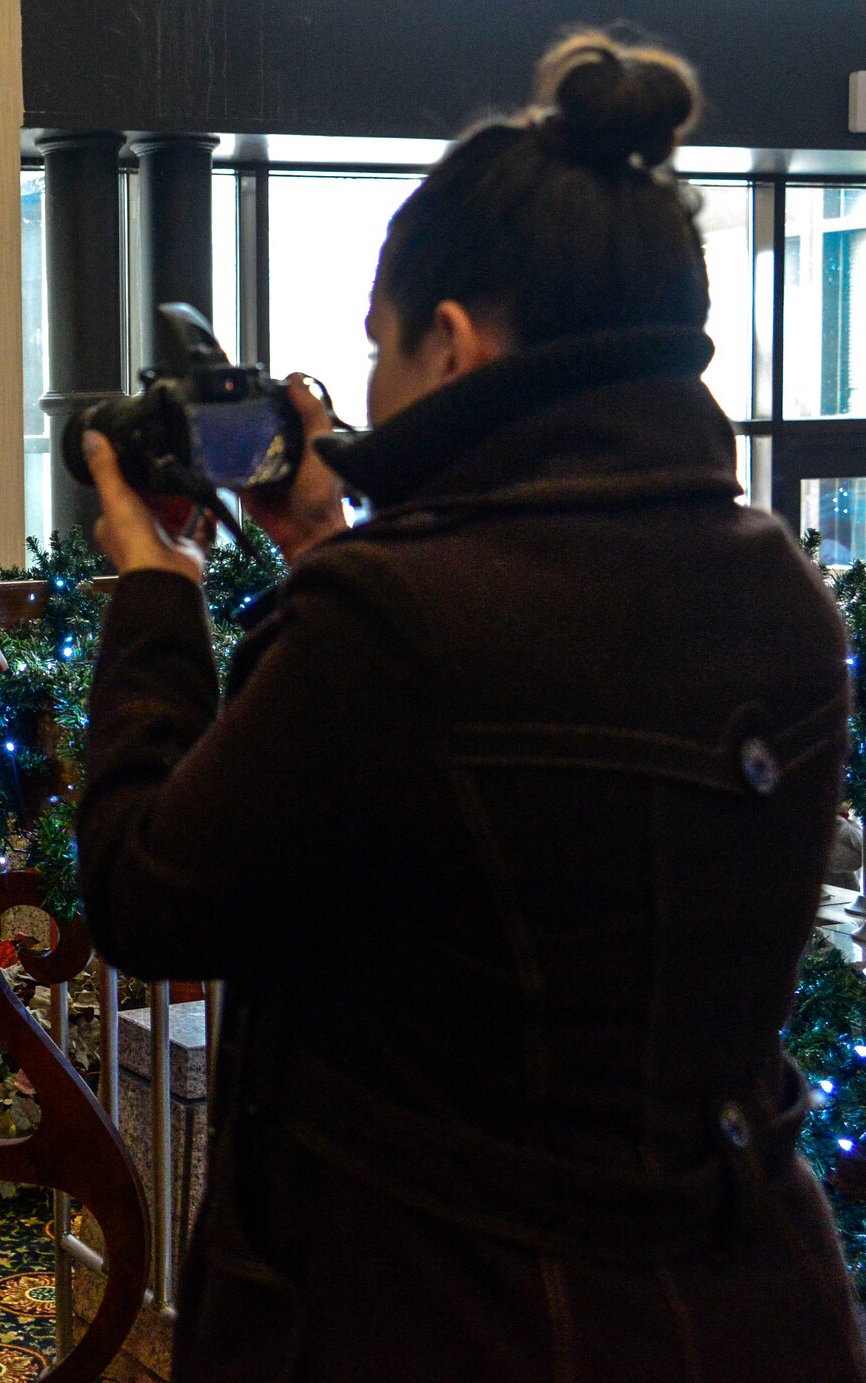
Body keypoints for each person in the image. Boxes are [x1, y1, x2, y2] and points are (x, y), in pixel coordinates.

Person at [76, 32, 866, 1381]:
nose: (369, 391)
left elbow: (153, 893)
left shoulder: (390, 623)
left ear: (450, 342)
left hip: (441, 1308)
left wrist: (161, 594)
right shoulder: (775, 582)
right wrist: (329, 547)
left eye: (379, 347)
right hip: (743, 1295)